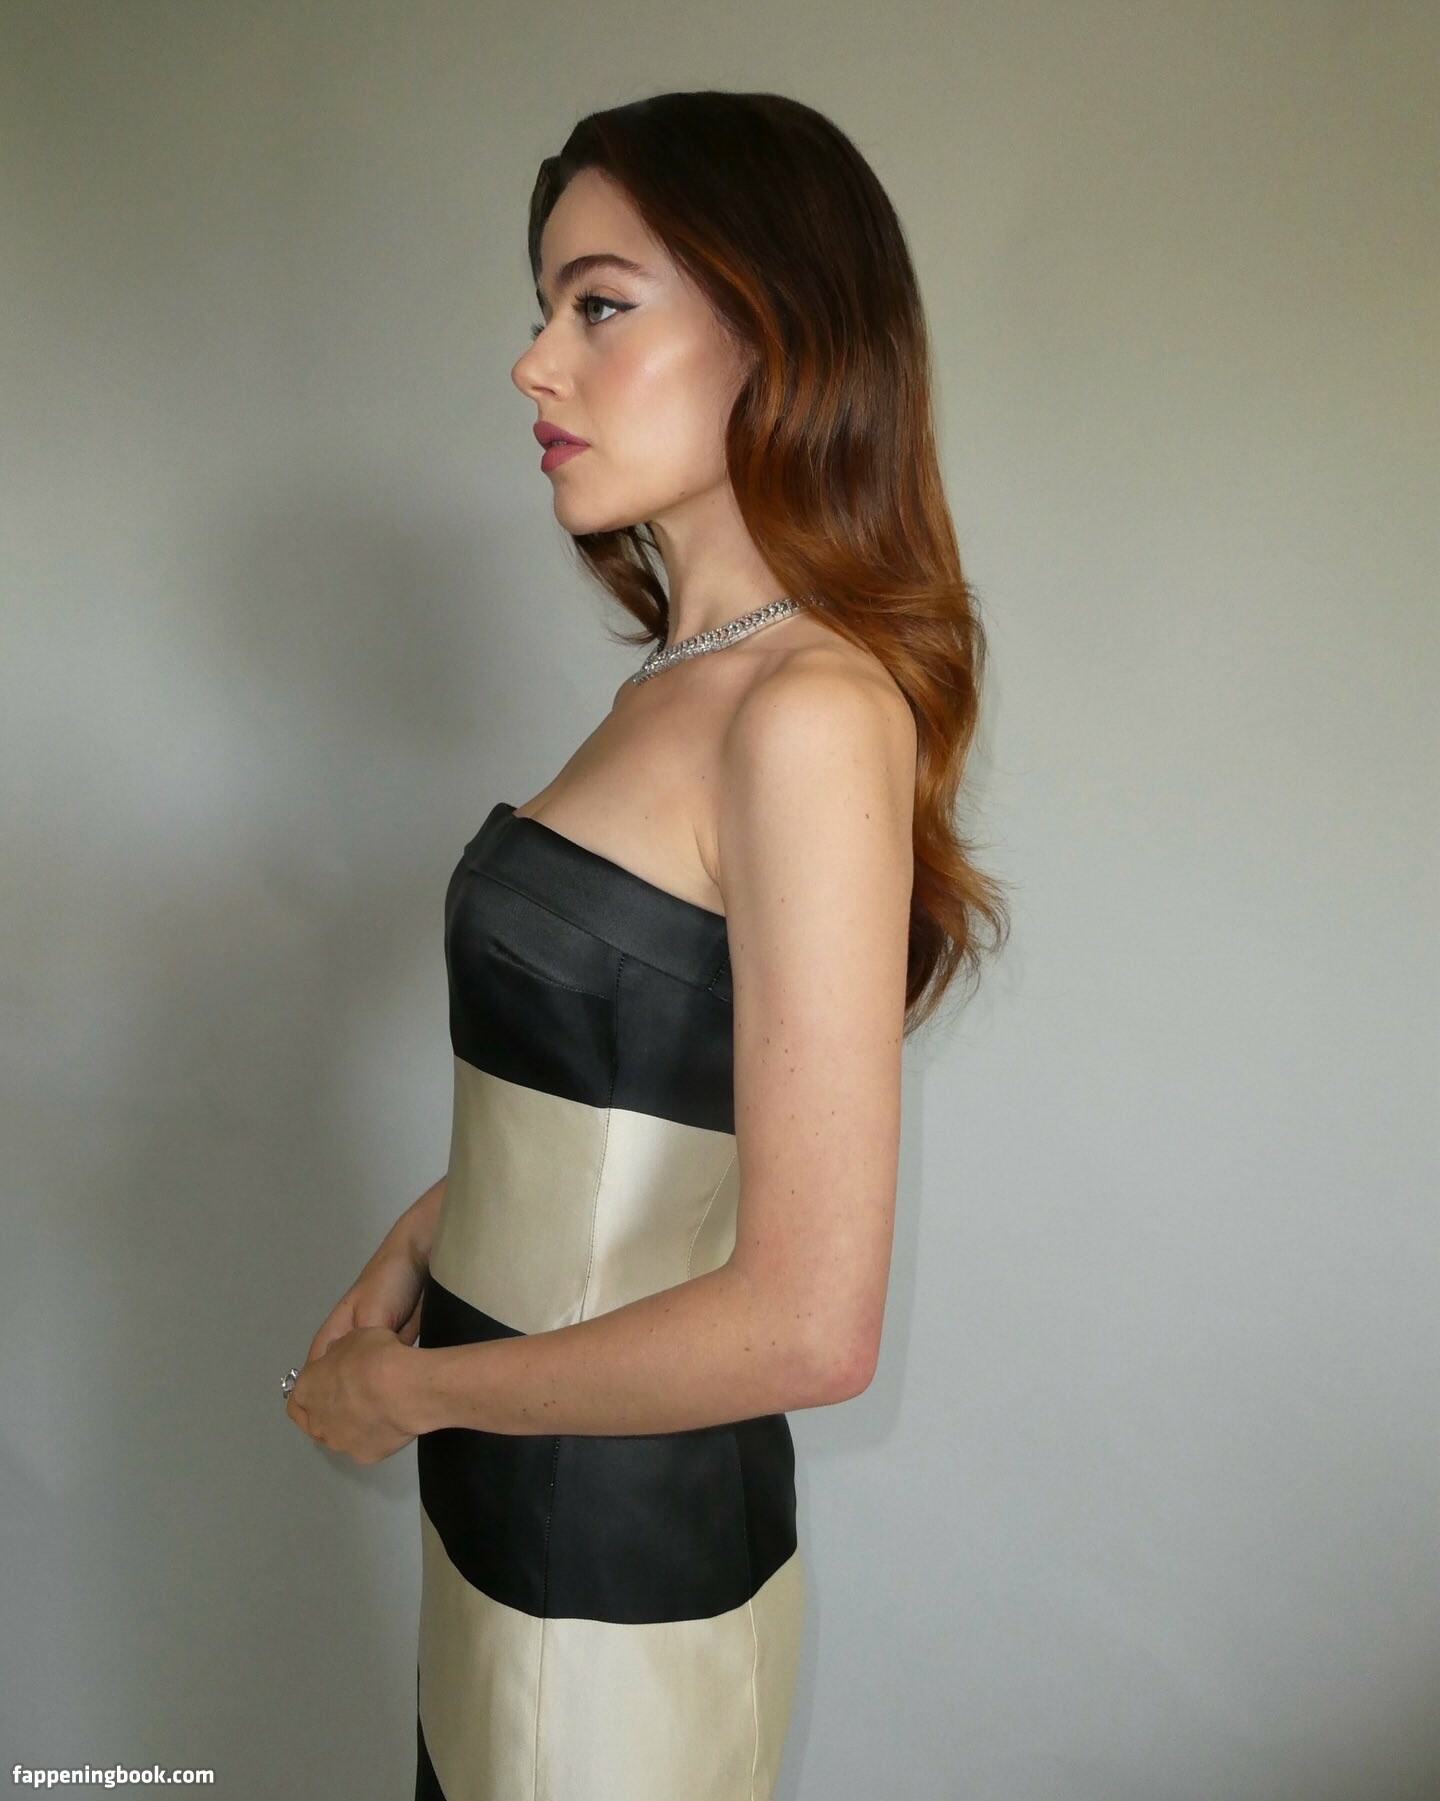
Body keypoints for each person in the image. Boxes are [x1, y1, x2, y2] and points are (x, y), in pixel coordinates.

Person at [284, 87, 1009, 1801]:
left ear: (776, 330)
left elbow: (809, 1325)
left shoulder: (807, 711)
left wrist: (413, 1395)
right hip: (509, 1511)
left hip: (612, 1580)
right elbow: (629, 1099)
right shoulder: (676, 688)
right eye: (544, 309)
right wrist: (422, 1236)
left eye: (597, 305)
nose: (535, 363)